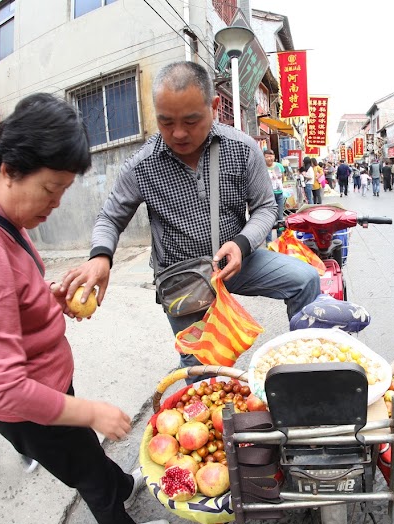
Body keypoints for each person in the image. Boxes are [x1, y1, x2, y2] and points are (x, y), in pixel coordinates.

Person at [0, 93, 168, 524]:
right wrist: (93, 412)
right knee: (84, 469)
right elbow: (3, 388)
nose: (55, 205)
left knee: (85, 453)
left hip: (47, 379)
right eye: (50, 190)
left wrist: (44, 297)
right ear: (11, 168)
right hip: (27, 402)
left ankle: (120, 486)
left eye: (62, 192)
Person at [60, 61, 320, 372]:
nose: (179, 133)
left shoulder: (243, 149)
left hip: (237, 261)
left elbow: (265, 207)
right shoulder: (142, 165)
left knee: (305, 279)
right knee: (198, 365)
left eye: (191, 121)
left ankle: (307, 368)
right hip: (181, 277)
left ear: (214, 106)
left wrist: (241, 244)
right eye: (166, 122)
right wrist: (100, 257)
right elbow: (110, 218)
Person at [263, 149, 284, 243]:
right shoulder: (262, 167)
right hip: (267, 196)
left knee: (280, 218)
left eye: (271, 156)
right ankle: (269, 241)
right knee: (269, 218)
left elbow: (282, 178)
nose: (269, 158)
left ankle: (280, 239)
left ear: (274, 156)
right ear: (263, 157)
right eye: (267, 156)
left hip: (279, 194)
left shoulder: (279, 166)